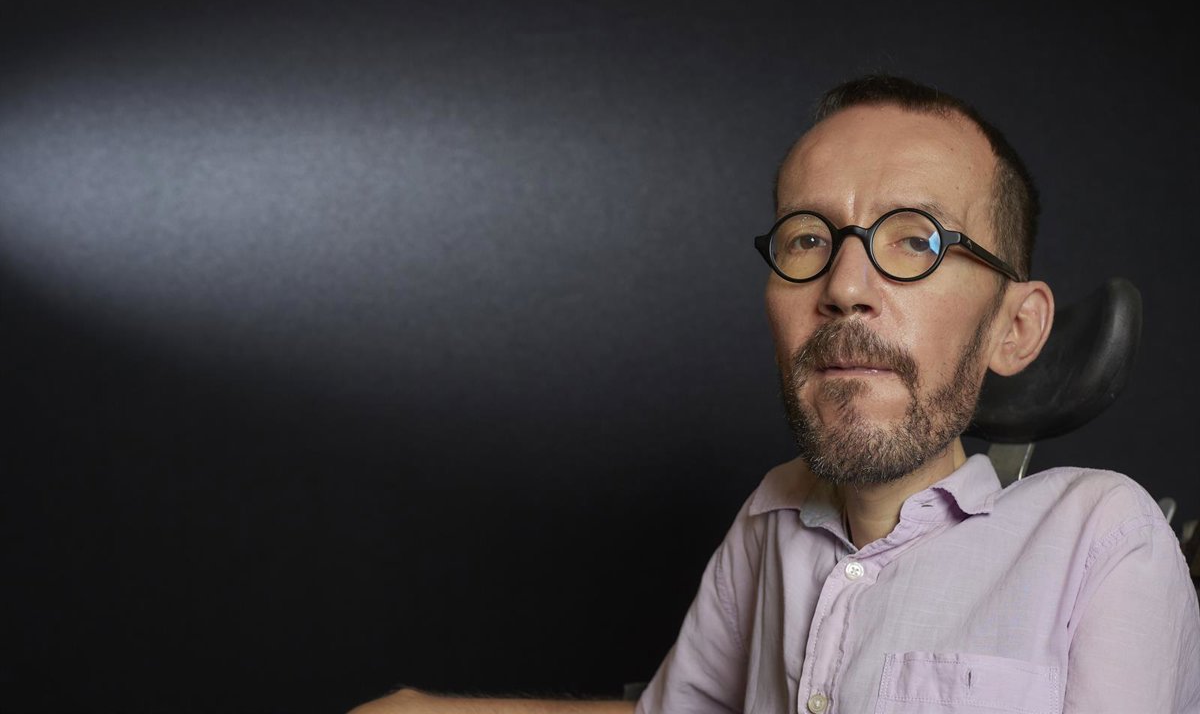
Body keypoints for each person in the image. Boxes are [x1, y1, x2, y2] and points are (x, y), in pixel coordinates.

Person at [351, 76, 1200, 714]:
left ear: (1015, 328)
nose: (845, 287)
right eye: (807, 239)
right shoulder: (771, 516)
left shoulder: (1103, 539)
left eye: (916, 241)